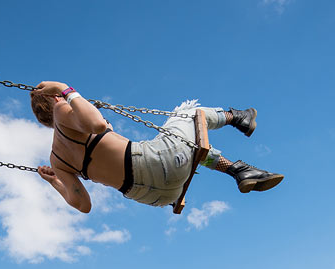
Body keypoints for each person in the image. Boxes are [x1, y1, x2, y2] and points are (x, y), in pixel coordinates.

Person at [31, 81, 283, 213]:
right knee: (189, 114)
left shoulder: (57, 160)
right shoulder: (62, 108)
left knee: (189, 145)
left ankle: (239, 171)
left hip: (154, 198)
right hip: (154, 162)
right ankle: (238, 116)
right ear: (53, 99)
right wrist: (66, 90)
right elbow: (96, 124)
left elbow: (83, 205)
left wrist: (55, 182)